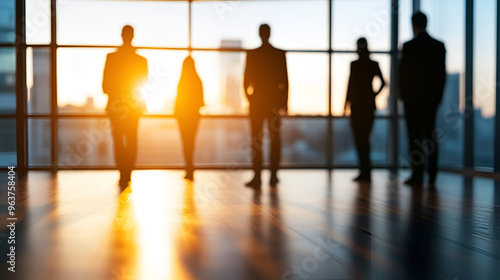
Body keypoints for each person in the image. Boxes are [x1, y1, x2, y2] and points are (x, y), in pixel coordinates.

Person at [399, 12, 446, 186]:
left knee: (414, 138)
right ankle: (432, 175)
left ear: (413, 25)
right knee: (430, 137)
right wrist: (438, 98)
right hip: (430, 101)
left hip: (412, 101)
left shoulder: (409, 46)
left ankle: (417, 174)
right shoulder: (438, 46)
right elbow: (442, 75)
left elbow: (402, 75)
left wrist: (404, 97)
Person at [102, 25, 148, 186]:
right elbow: (143, 84)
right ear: (133, 36)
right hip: (134, 107)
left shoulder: (111, 58)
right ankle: (127, 172)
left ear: (121, 35)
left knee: (118, 141)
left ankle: (123, 172)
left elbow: (105, 86)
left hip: (115, 106)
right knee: (132, 139)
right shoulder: (141, 60)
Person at [243, 24, 288, 188]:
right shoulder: (278, 54)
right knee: (275, 139)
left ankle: (257, 176)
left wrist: (250, 98)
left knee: (256, 140)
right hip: (274, 102)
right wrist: (284, 102)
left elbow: (245, 80)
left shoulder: (252, 54)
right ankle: (273, 176)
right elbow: (285, 80)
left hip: (257, 102)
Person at [345, 38, 386, 182]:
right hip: (368, 106)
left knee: (359, 139)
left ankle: (364, 171)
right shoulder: (373, 64)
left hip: (357, 106)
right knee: (365, 139)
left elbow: (350, 85)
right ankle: (366, 171)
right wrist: (373, 95)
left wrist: (346, 104)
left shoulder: (355, 65)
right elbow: (383, 83)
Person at [175, 56, 204, 181]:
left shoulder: (182, 81)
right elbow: (201, 102)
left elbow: (178, 101)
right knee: (191, 142)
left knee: (186, 143)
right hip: (193, 116)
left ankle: (189, 167)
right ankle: (190, 167)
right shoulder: (197, 80)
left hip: (183, 116)